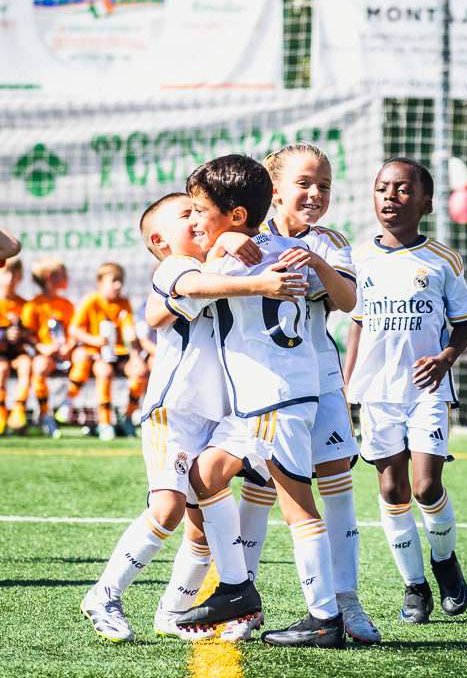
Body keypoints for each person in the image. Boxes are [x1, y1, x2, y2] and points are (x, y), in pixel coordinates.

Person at [80, 192, 307, 644]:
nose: (199, 220)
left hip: (217, 416)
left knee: (201, 528)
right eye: (188, 214)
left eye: (201, 212)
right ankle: (104, 595)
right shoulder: (178, 267)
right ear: (160, 240)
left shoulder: (221, 266)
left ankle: (173, 613)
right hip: (175, 412)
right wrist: (255, 278)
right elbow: (189, 292)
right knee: (166, 509)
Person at [149, 154, 346, 649]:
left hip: (273, 397)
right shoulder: (283, 246)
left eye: (200, 210)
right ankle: (237, 587)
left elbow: (189, 289)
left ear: (236, 215)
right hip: (263, 401)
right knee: (205, 476)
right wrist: (231, 240)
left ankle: (325, 618)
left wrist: (226, 248)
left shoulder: (231, 258)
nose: (195, 220)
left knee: (298, 506)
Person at [218, 143, 380, 645]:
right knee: (261, 489)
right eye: (304, 183)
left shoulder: (330, 241)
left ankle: (346, 602)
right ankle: (246, 605)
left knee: (336, 488)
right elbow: (207, 263)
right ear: (275, 190)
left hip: (324, 382)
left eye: (324, 185)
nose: (315, 193)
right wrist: (226, 239)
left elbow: (348, 301)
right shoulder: (250, 237)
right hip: (270, 385)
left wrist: (315, 262)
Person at [343, 157, 467, 625]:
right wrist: (346, 386)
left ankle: (445, 562)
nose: (390, 196)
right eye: (383, 188)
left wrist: (445, 358)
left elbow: (464, 323)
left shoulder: (442, 260)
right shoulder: (358, 259)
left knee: (425, 486)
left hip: (426, 390)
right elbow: (358, 325)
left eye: (402, 189)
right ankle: (414, 586)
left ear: (426, 203)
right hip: (376, 392)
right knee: (392, 488)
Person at [61, 263, 149, 441]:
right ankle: (104, 422)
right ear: (99, 282)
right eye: (113, 281)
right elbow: (74, 329)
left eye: (120, 281)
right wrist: (93, 340)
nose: (118, 285)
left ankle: (128, 417)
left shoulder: (124, 303)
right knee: (104, 372)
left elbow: (129, 332)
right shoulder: (91, 300)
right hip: (96, 354)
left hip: (118, 353)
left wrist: (135, 356)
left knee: (141, 372)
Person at [20, 258, 76, 439]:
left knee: (84, 359)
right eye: (63, 274)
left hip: (67, 354)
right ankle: (45, 414)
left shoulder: (67, 304)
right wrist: (41, 347)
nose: (66, 277)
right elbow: (27, 334)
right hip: (47, 355)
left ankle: (67, 403)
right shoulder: (33, 305)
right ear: (49, 277)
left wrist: (69, 346)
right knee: (39, 367)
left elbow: (74, 331)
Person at [0, 258, 32, 435]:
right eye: (6, 273)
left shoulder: (25, 304)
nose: (10, 279)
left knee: (26, 365)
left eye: (15, 274)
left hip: (18, 353)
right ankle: (1, 412)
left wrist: (23, 333)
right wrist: (4, 334)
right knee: (1, 368)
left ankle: (19, 410)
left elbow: (31, 333)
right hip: (1, 355)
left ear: (20, 277)